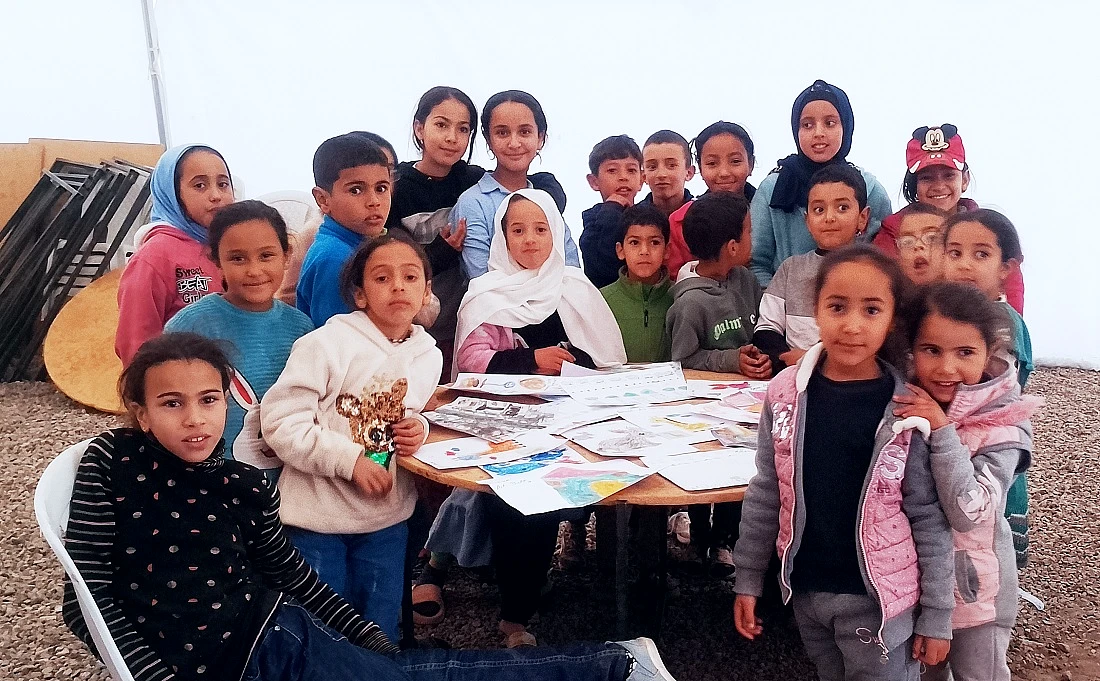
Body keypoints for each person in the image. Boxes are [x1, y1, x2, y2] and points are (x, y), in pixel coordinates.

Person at [61, 332, 679, 681]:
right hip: (231, 659)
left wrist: (366, 637)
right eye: (171, 404)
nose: (195, 419)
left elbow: (291, 576)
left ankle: (616, 665)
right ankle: (615, 665)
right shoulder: (111, 463)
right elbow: (85, 596)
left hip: (270, 641)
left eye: (209, 399)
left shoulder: (240, 482)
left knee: (422, 677)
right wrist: (147, 673)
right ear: (138, 412)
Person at [732, 245, 955, 681]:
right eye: (837, 306)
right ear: (816, 309)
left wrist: (937, 615)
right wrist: (748, 577)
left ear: (892, 318)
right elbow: (766, 492)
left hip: (882, 605)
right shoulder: (784, 394)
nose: (852, 325)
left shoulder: (906, 408)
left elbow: (929, 517)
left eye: (872, 310)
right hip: (808, 593)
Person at [430, 189, 626, 648]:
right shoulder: (486, 293)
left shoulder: (575, 287)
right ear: (502, 236)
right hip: (508, 427)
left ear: (557, 233)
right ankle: (514, 614)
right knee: (515, 507)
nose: (530, 240)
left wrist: (576, 359)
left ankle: (580, 594)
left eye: (540, 229)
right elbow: (472, 361)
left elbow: (606, 359)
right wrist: (532, 360)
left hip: (572, 421)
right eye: (517, 230)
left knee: (547, 510)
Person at [261, 235, 442, 642]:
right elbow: (280, 422)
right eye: (382, 277)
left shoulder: (429, 355)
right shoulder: (325, 345)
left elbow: (411, 413)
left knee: (378, 624)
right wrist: (349, 460)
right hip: (317, 519)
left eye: (410, 276)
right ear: (359, 294)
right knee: (321, 626)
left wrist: (419, 431)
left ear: (426, 290)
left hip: (386, 518)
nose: (398, 286)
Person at [894, 281, 1041, 681]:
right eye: (931, 350)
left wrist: (941, 432)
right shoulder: (901, 400)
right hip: (912, 585)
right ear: (912, 349)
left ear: (988, 351)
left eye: (965, 353)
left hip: (978, 596)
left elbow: (969, 511)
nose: (946, 368)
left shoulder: (1004, 426)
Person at [164, 200, 313, 478]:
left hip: (287, 485)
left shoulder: (302, 329)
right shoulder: (189, 327)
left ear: (287, 255)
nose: (254, 270)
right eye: (237, 258)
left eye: (266, 256)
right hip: (208, 482)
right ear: (216, 261)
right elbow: (163, 403)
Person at [941, 208, 1034, 568]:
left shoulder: (1003, 322)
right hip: (952, 449)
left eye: (981, 254)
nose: (965, 264)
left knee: (986, 545)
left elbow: (994, 390)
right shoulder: (942, 313)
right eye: (955, 252)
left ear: (1005, 268)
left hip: (988, 450)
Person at [749, 79, 892, 287]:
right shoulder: (772, 189)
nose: (818, 133)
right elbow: (756, 263)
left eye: (830, 123)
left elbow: (883, 257)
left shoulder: (869, 188)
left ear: (846, 126)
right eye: (807, 124)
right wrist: (782, 306)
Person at [872, 124, 1025, 313]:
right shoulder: (891, 233)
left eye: (949, 175)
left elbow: (1012, 308)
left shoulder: (991, 233)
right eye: (927, 178)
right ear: (914, 186)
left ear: (965, 180)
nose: (939, 186)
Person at [115, 144, 233, 365]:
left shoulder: (230, 245)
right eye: (200, 185)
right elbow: (136, 342)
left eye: (223, 184)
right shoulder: (155, 256)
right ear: (172, 193)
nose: (216, 195)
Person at [753, 164, 870, 373]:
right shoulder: (790, 269)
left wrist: (812, 359)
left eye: (842, 207)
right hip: (791, 377)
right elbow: (766, 328)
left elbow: (879, 340)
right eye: (819, 209)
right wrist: (785, 359)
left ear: (863, 217)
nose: (829, 217)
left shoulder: (875, 274)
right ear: (807, 220)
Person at [456, 90, 579, 278]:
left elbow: (571, 268)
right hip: (496, 306)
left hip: (558, 305)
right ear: (488, 140)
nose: (514, 143)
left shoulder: (546, 200)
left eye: (524, 132)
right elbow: (482, 278)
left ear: (541, 138)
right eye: (502, 132)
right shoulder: (474, 203)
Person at [277, 131, 399, 307]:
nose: (374, 202)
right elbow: (339, 333)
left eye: (381, 188)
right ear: (323, 200)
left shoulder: (361, 244)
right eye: (356, 190)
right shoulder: (334, 258)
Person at [666, 193, 770, 378]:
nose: (752, 238)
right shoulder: (689, 304)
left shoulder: (746, 279)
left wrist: (762, 359)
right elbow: (682, 359)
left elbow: (763, 329)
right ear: (732, 247)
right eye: (749, 232)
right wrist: (731, 360)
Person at [666, 121, 757, 278]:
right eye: (712, 163)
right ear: (700, 169)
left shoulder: (769, 213)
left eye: (735, 161)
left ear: (751, 164)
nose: (723, 172)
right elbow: (675, 279)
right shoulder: (680, 221)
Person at [600, 204, 675, 363]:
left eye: (654, 242)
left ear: (667, 250)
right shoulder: (601, 301)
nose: (644, 251)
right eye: (634, 242)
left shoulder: (680, 298)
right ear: (620, 250)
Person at [581, 135, 645, 289]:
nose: (623, 177)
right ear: (594, 181)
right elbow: (602, 267)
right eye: (612, 170)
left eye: (631, 170)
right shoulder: (592, 221)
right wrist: (611, 211)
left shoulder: (649, 217)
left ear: (642, 179)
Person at [638, 130, 694, 217]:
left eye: (671, 165)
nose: (661, 174)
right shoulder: (633, 219)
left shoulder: (703, 214)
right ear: (644, 176)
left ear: (689, 173)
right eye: (652, 167)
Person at [893, 203, 948, 286]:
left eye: (931, 237)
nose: (918, 245)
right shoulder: (890, 297)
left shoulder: (968, 297)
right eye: (907, 242)